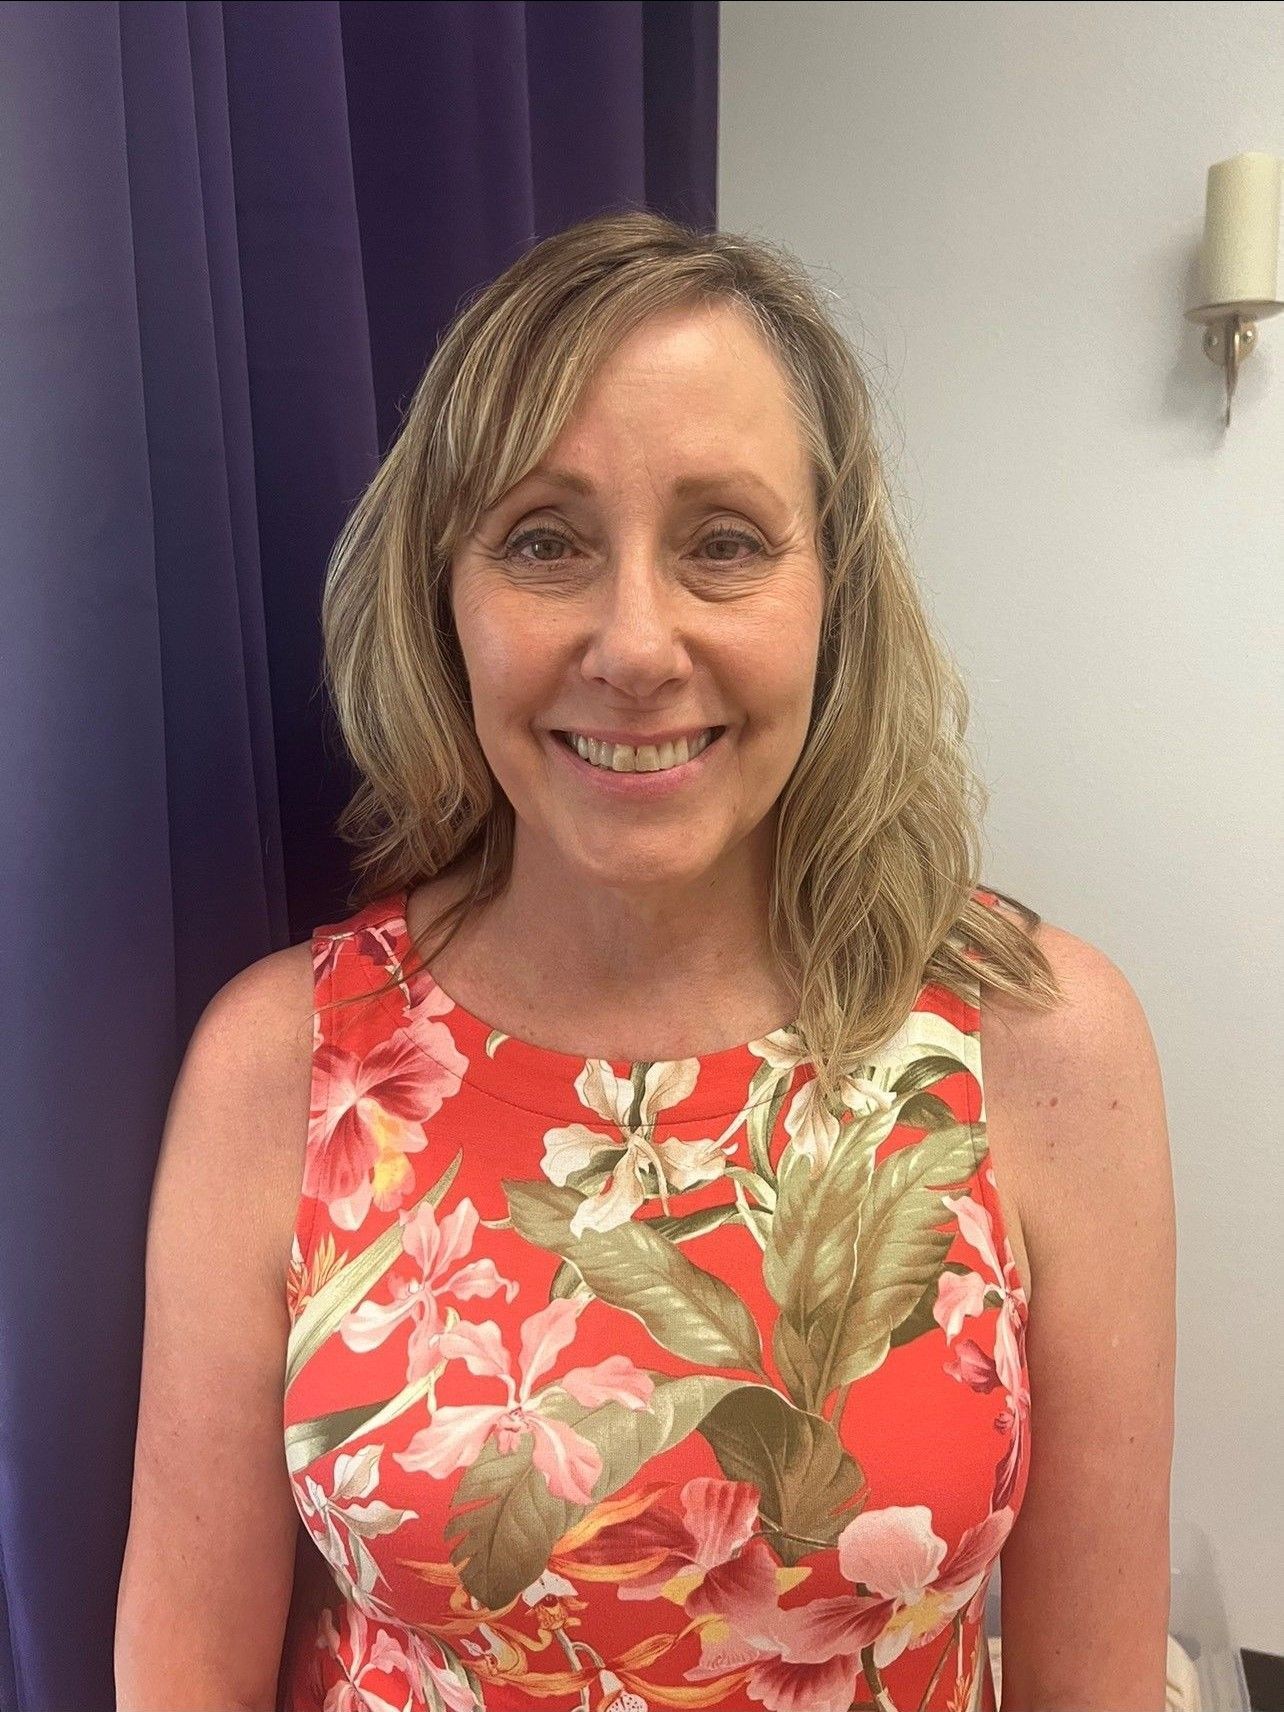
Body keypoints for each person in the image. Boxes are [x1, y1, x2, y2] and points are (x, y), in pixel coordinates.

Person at [115, 210, 1176, 1712]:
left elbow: (1099, 1687)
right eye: (545, 541)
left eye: (724, 543)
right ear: (446, 600)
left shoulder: (1045, 1047)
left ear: (835, 598)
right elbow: (179, 1671)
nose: (634, 642)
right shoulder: (284, 1064)